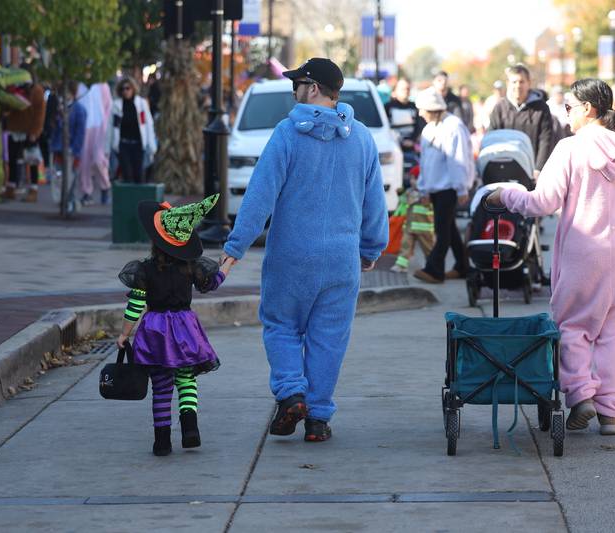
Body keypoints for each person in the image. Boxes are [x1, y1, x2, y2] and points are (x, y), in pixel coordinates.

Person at [220, 58, 388, 442]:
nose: (293, 90)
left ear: (312, 88)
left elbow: (260, 195)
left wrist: (236, 246)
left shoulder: (287, 134)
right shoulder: (362, 138)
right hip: (342, 260)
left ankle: (292, 391)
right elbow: (374, 202)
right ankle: (318, 419)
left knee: (281, 325)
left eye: (297, 83)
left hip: (291, 258)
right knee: (329, 338)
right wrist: (371, 248)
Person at [486, 78, 615, 436]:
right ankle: (611, 414)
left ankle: (581, 395)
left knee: (573, 327)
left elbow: (542, 202)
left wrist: (506, 195)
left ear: (588, 109)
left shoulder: (570, 149)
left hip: (584, 255)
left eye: (569, 107)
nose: (566, 115)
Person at [116, 194, 230, 456]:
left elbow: (135, 305)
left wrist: (124, 334)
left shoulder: (145, 270)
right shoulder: (190, 268)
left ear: (155, 241)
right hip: (185, 329)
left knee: (161, 386)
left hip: (155, 331)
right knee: (186, 379)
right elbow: (212, 283)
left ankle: (162, 441)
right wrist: (227, 266)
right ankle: (190, 430)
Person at [411, 87, 473, 284]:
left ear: (433, 109)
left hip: (449, 188)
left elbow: (458, 160)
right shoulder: (429, 128)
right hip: (436, 188)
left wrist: (462, 188)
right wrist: (424, 188)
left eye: (423, 109)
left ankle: (434, 269)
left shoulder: (454, 127)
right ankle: (463, 266)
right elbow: (425, 162)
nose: (420, 114)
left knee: (442, 230)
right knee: (450, 228)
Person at [488, 64, 553, 180]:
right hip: (504, 168)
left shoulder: (541, 108)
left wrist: (539, 169)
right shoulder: (500, 107)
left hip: (532, 172)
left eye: (521, 82)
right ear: (508, 84)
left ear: (529, 83)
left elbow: (545, 140)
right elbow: (492, 138)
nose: (518, 86)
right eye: (514, 82)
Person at [3, 74, 46, 202]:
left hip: (29, 130)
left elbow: (40, 113)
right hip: (14, 128)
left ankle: (33, 189)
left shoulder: (36, 91)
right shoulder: (13, 88)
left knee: (32, 160)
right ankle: (11, 187)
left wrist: (35, 132)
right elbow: (6, 107)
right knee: (12, 159)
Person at [108, 76, 156, 183]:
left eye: (128, 88)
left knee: (139, 175)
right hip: (123, 145)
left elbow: (148, 124)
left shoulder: (141, 104)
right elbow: (111, 127)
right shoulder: (116, 106)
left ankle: (138, 199)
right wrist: (108, 147)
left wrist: (151, 144)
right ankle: (129, 199)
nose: (125, 91)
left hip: (138, 145)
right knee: (127, 175)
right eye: (122, 89)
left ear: (133, 89)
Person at [49, 81, 87, 213]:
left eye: (67, 93)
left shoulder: (79, 110)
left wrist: (75, 150)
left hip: (72, 151)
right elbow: (54, 130)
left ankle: (70, 202)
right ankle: (64, 202)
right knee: (59, 177)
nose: (64, 96)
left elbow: (80, 133)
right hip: (58, 149)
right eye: (62, 93)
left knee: (71, 179)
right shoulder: (60, 108)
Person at [390, 166, 435, 273]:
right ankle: (401, 265)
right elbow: (404, 201)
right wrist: (400, 194)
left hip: (425, 229)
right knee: (405, 246)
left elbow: (415, 201)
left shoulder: (427, 193)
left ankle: (431, 266)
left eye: (415, 178)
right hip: (409, 226)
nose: (412, 181)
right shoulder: (409, 191)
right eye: (411, 178)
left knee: (429, 249)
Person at [384, 78, 424, 153]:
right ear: (395, 90)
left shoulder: (415, 107)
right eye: (403, 89)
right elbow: (385, 127)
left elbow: (419, 126)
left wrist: (412, 140)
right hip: (393, 147)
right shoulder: (387, 107)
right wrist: (399, 141)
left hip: (411, 148)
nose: (406, 91)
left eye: (408, 88)